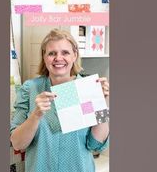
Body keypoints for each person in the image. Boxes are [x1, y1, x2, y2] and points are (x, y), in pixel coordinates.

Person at [10, 29, 109, 172]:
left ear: (75, 55)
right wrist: (36, 115)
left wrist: (101, 103)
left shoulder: (87, 90)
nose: (58, 58)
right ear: (44, 57)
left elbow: (95, 144)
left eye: (65, 52)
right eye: (52, 53)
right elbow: (18, 144)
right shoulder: (30, 89)